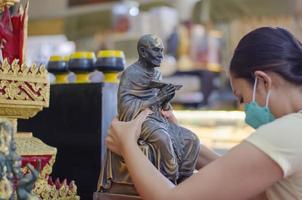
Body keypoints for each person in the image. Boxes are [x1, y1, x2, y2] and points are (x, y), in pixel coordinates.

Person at [105, 27, 302, 200]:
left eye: (242, 98)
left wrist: (127, 144)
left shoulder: (287, 132)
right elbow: (239, 180)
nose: (244, 111)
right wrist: (180, 137)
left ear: (263, 81)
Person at [99, 34, 200, 195]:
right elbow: (126, 109)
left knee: (191, 139)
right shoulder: (131, 74)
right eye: (156, 50)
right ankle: (168, 184)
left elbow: (162, 106)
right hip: (141, 120)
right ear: (143, 52)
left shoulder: (157, 74)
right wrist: (157, 98)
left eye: (162, 51)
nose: (161, 55)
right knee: (163, 140)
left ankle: (183, 184)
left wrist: (166, 99)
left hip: (158, 119)